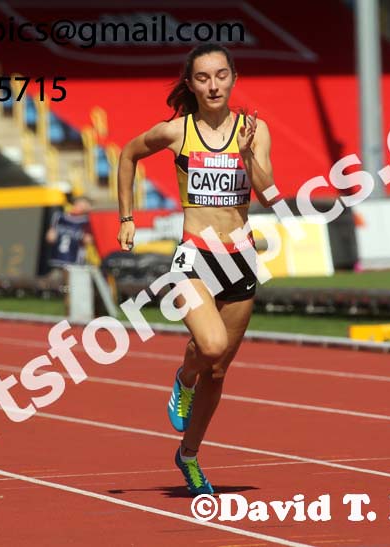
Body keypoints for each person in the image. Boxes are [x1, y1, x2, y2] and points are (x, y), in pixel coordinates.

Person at [117, 44, 277, 495]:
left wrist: (248, 157)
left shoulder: (254, 129)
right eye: (203, 77)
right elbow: (127, 154)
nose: (213, 85)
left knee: (221, 370)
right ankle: (183, 378)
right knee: (209, 346)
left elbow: (269, 195)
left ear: (233, 78)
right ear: (190, 83)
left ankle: (188, 456)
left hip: (240, 258)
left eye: (221, 76)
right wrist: (126, 217)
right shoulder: (176, 131)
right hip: (194, 256)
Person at [45, 194, 93, 315]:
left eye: (84, 206)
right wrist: (52, 234)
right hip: (59, 258)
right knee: (63, 286)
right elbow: (50, 237)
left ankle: (71, 308)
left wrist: (86, 238)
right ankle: (67, 308)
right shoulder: (60, 217)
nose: (80, 207)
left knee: (72, 286)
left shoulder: (87, 221)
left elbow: (89, 240)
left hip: (75, 259)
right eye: (79, 204)